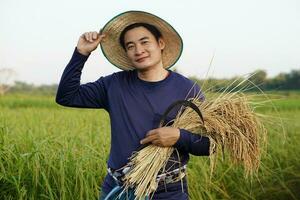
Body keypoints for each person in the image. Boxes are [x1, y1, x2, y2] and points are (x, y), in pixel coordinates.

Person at [56, 10, 210, 200]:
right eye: (131, 46)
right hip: (118, 189)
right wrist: (81, 53)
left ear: (160, 43)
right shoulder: (114, 85)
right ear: (127, 53)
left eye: (145, 42)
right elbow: (66, 96)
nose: (138, 50)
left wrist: (180, 137)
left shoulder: (187, 89)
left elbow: (211, 144)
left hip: (167, 192)